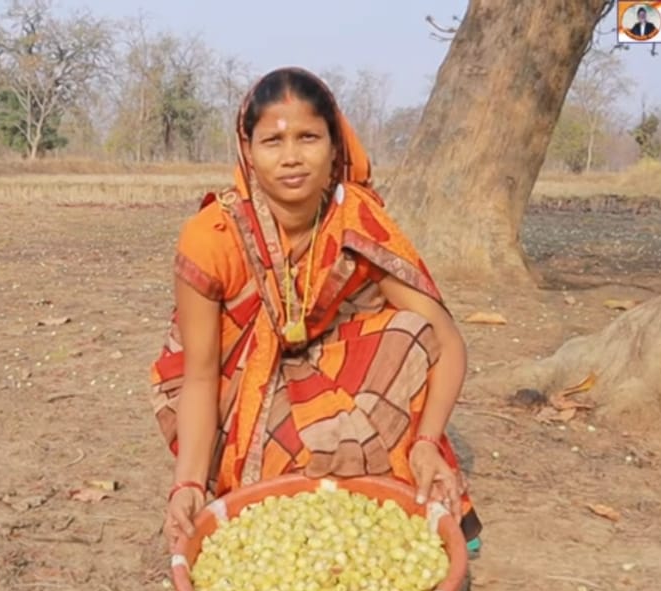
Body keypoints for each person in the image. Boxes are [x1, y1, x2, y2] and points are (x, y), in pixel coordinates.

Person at [150, 66, 483, 555]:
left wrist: (428, 442)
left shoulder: (356, 221)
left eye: (308, 137)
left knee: (411, 333)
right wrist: (187, 486)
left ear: (334, 147)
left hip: (325, 360)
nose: (291, 157)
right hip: (233, 384)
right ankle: (257, 483)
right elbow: (200, 376)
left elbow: (446, 340)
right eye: (273, 141)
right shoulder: (212, 237)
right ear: (247, 151)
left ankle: (402, 483)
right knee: (279, 513)